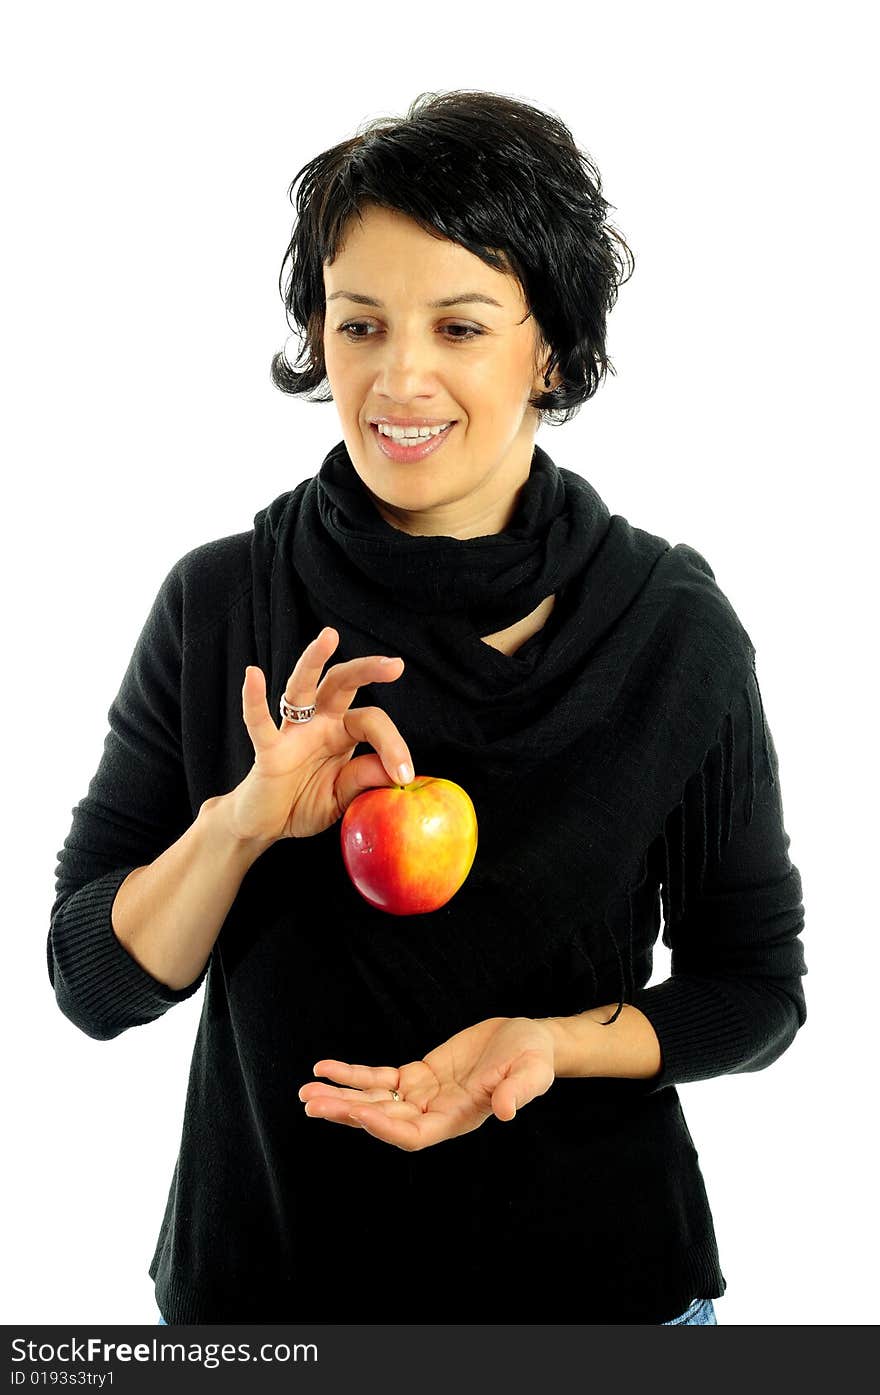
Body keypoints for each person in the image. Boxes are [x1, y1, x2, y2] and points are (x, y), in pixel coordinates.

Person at [47, 89, 807, 1327]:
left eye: (460, 326)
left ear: (548, 348)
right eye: (361, 325)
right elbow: (95, 986)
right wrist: (240, 824)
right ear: (319, 336)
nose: (399, 378)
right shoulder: (223, 604)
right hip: (269, 1303)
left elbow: (754, 992)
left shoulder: (670, 627)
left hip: (605, 1300)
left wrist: (552, 1042)